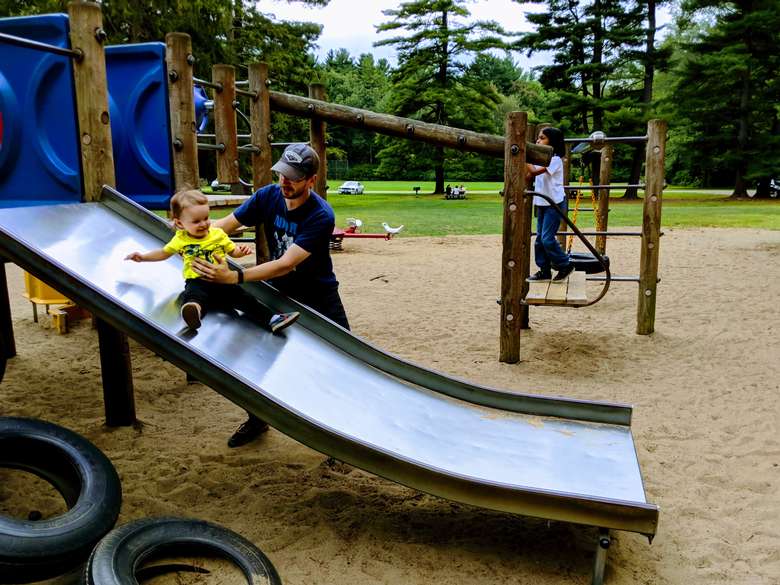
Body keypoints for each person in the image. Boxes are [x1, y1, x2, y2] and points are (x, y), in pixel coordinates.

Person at [190, 143, 350, 448]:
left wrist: (233, 276)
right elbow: (225, 226)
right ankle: (257, 418)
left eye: (294, 177)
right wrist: (193, 238)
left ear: (311, 180)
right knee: (259, 357)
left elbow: (285, 264)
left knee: (342, 363)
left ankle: (341, 434)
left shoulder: (320, 215)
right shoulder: (267, 196)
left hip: (319, 296)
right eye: (282, 174)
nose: (285, 181)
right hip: (278, 292)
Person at [124, 189, 300, 333]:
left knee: (245, 299)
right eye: (196, 221)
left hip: (222, 280)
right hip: (197, 281)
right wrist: (143, 257)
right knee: (194, 296)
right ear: (180, 223)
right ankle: (193, 313)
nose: (203, 224)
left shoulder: (217, 234)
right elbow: (163, 253)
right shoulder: (180, 239)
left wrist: (241, 252)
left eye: (206, 218)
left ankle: (272, 319)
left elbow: (232, 251)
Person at [526, 127, 574, 282]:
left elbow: (534, 172)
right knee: (539, 240)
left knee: (547, 239)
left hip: (554, 203)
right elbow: (529, 174)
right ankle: (545, 271)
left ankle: (565, 264)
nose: (538, 140)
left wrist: (524, 155)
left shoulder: (555, 160)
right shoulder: (540, 160)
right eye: (538, 138)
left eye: (542, 138)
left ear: (552, 142)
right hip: (542, 203)